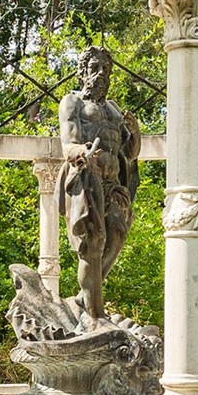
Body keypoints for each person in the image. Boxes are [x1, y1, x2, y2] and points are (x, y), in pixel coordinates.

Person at [58, 46, 141, 323]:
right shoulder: (73, 103)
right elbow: (68, 144)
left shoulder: (114, 109)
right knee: (92, 243)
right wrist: (83, 153)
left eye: (106, 69)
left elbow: (130, 152)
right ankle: (95, 314)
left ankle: (85, 297)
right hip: (87, 179)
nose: (101, 74)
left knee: (116, 236)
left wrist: (137, 132)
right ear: (82, 72)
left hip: (114, 184)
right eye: (95, 68)